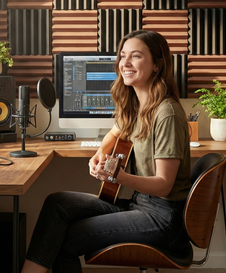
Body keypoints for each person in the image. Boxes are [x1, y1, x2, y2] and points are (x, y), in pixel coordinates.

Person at [21, 30, 191, 273]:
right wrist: (99, 153)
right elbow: (114, 133)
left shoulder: (167, 113)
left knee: (66, 239)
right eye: (122, 56)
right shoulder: (137, 106)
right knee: (57, 203)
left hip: (162, 218)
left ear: (157, 65)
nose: (126, 63)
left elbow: (164, 185)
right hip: (140, 204)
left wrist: (118, 177)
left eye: (136, 56)